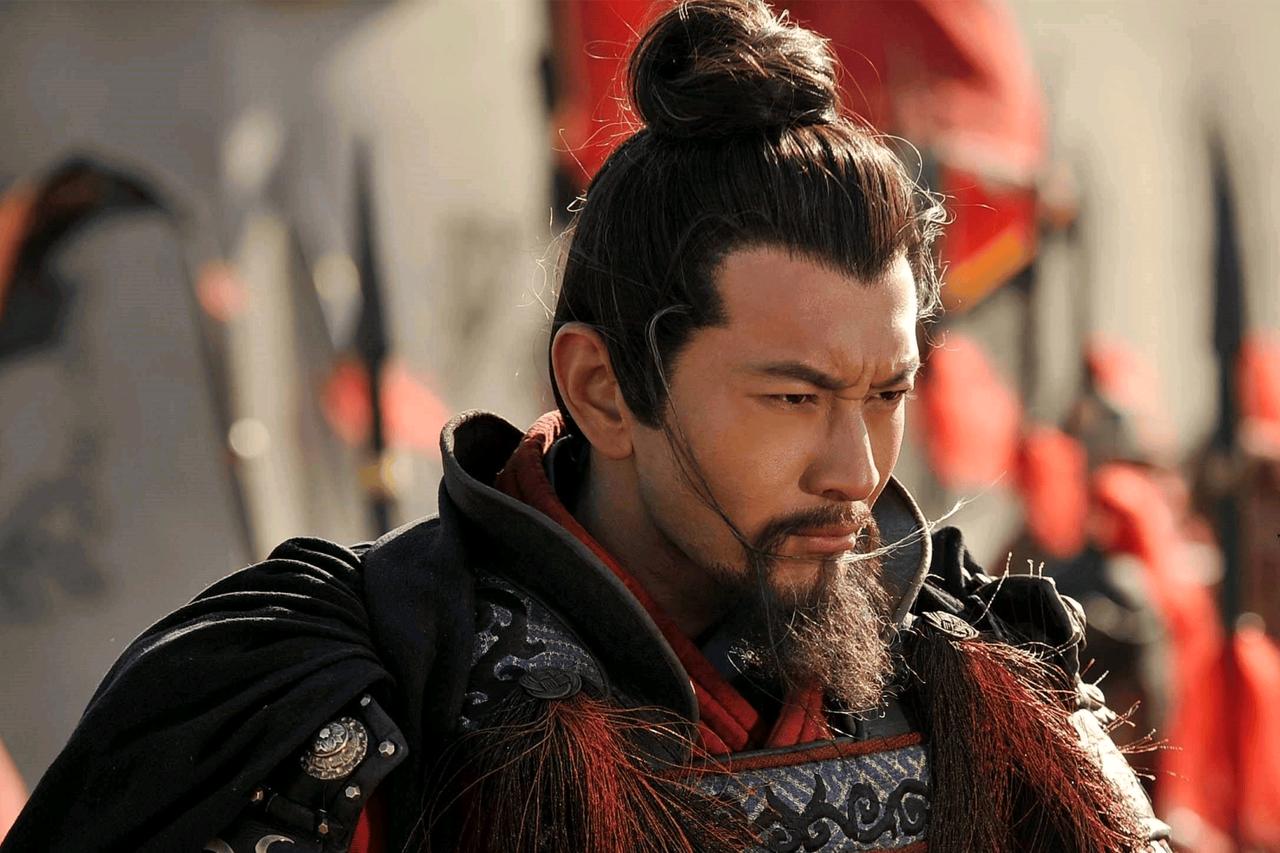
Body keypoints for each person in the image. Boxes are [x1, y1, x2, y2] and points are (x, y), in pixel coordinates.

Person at [2, 2, 1172, 851]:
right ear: (602, 388)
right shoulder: (348, 699)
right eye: (793, 398)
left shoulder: (975, 679)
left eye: (885, 394)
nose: (855, 470)